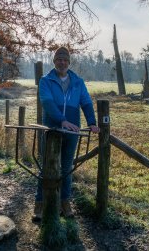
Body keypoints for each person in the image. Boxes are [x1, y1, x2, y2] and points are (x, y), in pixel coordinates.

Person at [33, 46, 99, 221]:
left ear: (69, 63)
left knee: (67, 167)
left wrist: (92, 122)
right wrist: (62, 120)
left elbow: (85, 102)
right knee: (46, 166)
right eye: (58, 60)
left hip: (72, 131)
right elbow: (47, 102)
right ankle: (39, 205)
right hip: (51, 129)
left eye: (65, 60)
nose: (62, 63)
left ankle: (65, 203)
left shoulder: (78, 81)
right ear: (54, 62)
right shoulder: (45, 80)